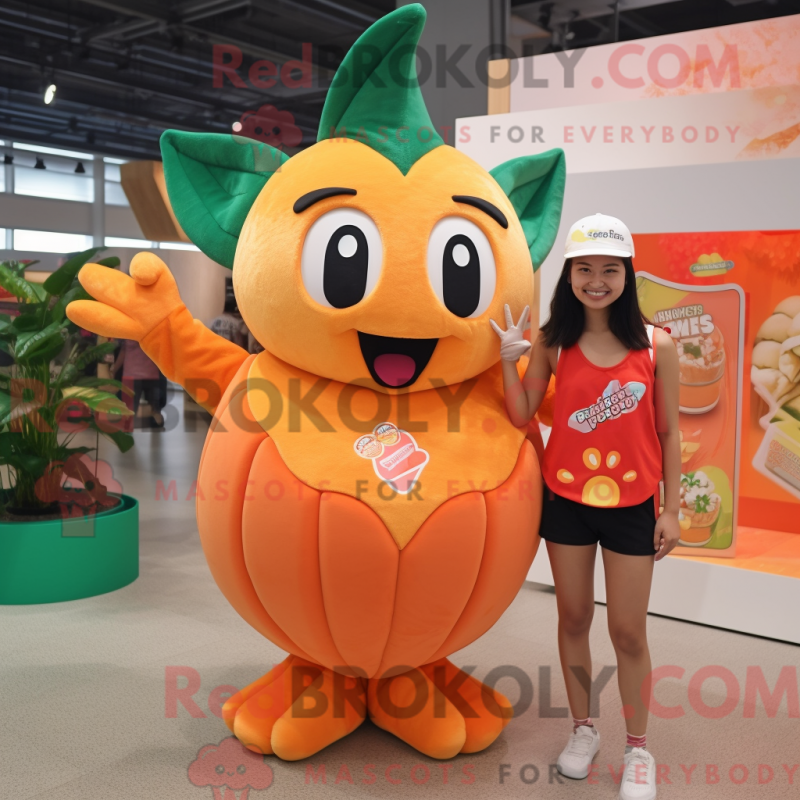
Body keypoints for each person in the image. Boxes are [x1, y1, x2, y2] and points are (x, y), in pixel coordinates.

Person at [491, 213, 681, 800]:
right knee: (573, 618)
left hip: (632, 504)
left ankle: (639, 750)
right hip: (566, 500)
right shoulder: (553, 342)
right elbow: (522, 412)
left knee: (628, 631)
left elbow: (669, 432)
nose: (596, 281)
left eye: (609, 270)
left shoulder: (657, 345)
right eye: (584, 269)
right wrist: (508, 359)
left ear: (627, 274)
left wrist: (672, 509)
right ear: (569, 275)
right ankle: (583, 730)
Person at [114, 339, 167, 430]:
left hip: (131, 375)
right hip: (152, 374)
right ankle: (157, 420)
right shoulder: (153, 335)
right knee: (155, 408)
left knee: (130, 407)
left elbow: (123, 353)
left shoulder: (128, 335)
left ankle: (127, 425)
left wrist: (114, 369)